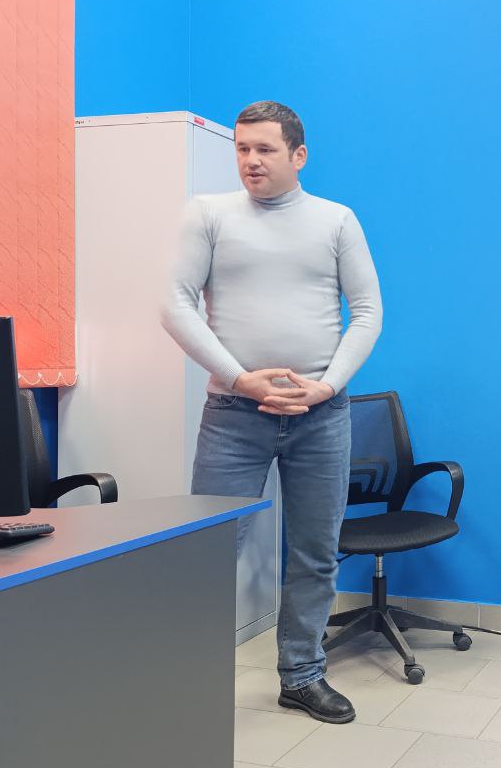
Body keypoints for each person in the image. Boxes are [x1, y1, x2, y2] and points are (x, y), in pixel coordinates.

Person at [161, 100, 382, 724]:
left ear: (298, 155)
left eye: (264, 149)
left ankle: (302, 676)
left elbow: (368, 312)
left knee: (315, 551)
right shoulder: (208, 214)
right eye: (242, 148)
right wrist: (239, 377)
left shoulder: (336, 220)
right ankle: (189, 680)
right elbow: (175, 303)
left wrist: (327, 386)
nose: (250, 160)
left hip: (321, 418)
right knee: (208, 549)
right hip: (234, 414)